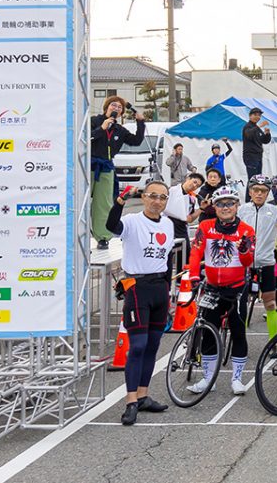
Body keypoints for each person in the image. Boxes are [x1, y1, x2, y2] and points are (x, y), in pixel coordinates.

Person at [105, 180, 172, 425]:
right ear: (144, 197)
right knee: (138, 346)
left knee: (153, 345)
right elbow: (111, 226)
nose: (157, 201)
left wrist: (169, 292)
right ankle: (131, 400)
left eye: (162, 197)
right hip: (137, 287)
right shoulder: (133, 221)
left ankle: (143, 395)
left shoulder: (168, 224)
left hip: (160, 288)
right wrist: (119, 202)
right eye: (152, 196)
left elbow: (167, 259)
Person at [185, 186, 256, 396]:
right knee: (208, 332)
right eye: (221, 204)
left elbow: (248, 262)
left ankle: (237, 379)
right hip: (212, 288)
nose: (226, 208)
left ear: (237, 206)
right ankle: (208, 379)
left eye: (230, 204)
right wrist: (194, 277)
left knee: (238, 331)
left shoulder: (246, 230)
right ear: (214, 207)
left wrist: (244, 250)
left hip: (237, 289)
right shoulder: (205, 226)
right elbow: (195, 253)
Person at [90, 96, 146, 250]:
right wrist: (101, 129)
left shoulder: (119, 130)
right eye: (113, 105)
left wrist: (140, 123)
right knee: (82, 201)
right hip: (87, 165)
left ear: (121, 113)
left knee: (103, 203)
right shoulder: (94, 121)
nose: (116, 108)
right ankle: (77, 235)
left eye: (120, 107)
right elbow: (86, 138)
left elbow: (136, 141)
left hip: (106, 167)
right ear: (106, 107)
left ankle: (102, 237)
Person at [241, 176, 277, 339]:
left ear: (268, 193)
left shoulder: (275, 211)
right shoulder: (241, 210)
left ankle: (273, 341)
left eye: (263, 191)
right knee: (240, 303)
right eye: (256, 190)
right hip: (244, 264)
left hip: (266, 263)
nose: (259, 194)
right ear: (250, 191)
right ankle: (239, 339)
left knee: (270, 303)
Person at [241, 108, 272, 183]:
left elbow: (264, 141)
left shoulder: (257, 128)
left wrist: (267, 134)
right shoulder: (247, 126)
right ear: (250, 116)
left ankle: (255, 191)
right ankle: (249, 191)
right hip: (250, 156)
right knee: (252, 180)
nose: (257, 117)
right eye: (255, 115)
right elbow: (249, 135)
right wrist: (259, 126)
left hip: (258, 156)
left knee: (258, 179)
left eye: (259, 115)